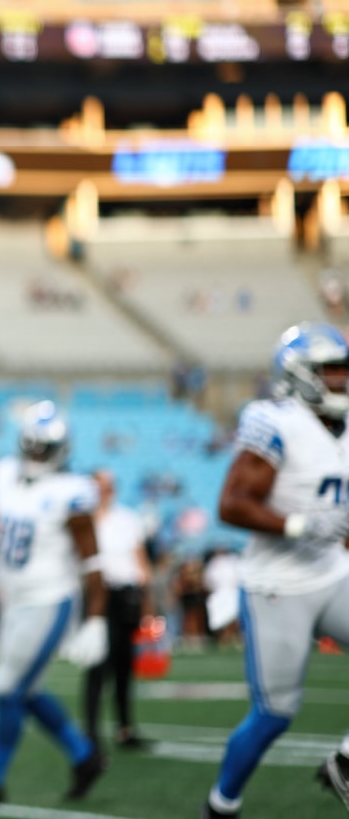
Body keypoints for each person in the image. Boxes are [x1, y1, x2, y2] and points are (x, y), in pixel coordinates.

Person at [202, 322, 349, 819]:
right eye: (331, 371)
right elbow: (232, 503)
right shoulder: (275, 421)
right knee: (275, 713)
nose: (342, 381)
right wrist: (299, 525)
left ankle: (346, 763)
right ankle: (221, 805)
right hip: (277, 586)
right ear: (300, 375)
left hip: (332, 573)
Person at [0, 401, 107, 810]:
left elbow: (93, 563)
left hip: (49, 600)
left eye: (44, 448)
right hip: (13, 601)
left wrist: (95, 621)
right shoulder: (7, 474)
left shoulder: (73, 491)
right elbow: (0, 526)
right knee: (25, 690)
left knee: (6, 688)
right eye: (31, 446)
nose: (35, 455)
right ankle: (84, 756)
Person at [82, 468, 151, 753]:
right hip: (99, 596)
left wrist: (148, 603)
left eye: (107, 486)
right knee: (98, 665)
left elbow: (140, 562)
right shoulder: (82, 521)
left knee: (124, 665)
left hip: (127, 594)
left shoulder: (127, 519)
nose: (103, 492)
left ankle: (125, 728)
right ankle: (91, 733)